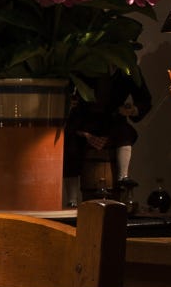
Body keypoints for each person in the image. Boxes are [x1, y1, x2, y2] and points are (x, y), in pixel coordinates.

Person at [63, 71, 152, 205]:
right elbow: (67, 86)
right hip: (83, 120)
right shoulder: (86, 62)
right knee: (70, 144)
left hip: (113, 120)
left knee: (125, 133)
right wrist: (69, 101)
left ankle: (123, 177)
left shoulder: (127, 69)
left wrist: (133, 109)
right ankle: (72, 200)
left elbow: (144, 99)